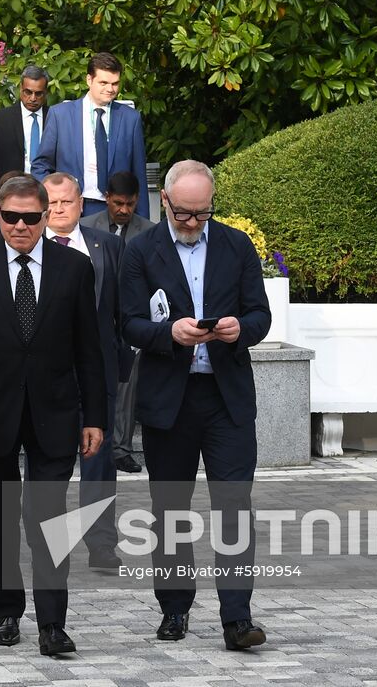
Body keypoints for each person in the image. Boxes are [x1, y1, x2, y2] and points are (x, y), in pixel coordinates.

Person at [0, 174, 105, 657]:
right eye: (10, 217)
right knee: (1, 516)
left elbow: (89, 350)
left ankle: (53, 623)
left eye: (31, 218)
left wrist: (94, 415)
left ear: (45, 216)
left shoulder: (74, 268)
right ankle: (7, 612)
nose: (20, 227)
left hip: (55, 411)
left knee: (49, 518)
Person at [119, 159, 271, 650]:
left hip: (226, 397)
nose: (193, 224)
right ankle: (175, 607)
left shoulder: (235, 244)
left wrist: (238, 330)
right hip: (170, 399)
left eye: (203, 214)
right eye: (184, 213)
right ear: (165, 201)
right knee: (170, 509)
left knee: (233, 507)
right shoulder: (141, 250)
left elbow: (260, 315)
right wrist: (169, 334)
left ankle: (237, 618)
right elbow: (128, 323)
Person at [42, 172, 124, 568]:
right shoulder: (27, 248)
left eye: (66, 202)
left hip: (98, 373)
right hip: (46, 376)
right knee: (49, 464)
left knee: (100, 462)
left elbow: (121, 310)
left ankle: (102, 545)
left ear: (81, 204)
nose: (58, 210)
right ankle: (49, 542)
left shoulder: (107, 245)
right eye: (51, 203)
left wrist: (121, 364)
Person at [83, 170, 154, 473]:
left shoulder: (151, 231)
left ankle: (121, 448)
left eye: (130, 204)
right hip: (94, 316)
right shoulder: (86, 227)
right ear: (107, 199)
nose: (124, 210)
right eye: (118, 203)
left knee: (126, 385)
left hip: (131, 318)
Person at [32, 52, 149, 217]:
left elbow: (139, 176)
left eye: (115, 83)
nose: (110, 89)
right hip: (71, 210)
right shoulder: (61, 115)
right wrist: (54, 197)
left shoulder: (130, 118)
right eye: (103, 83)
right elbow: (41, 165)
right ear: (89, 80)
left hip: (116, 211)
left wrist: (143, 223)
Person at [0, 65, 50, 180]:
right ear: (20, 88)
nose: (33, 98)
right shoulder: (0, 119)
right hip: (11, 188)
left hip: (46, 187)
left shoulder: (54, 117)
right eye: (28, 92)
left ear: (45, 92)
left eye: (38, 93)